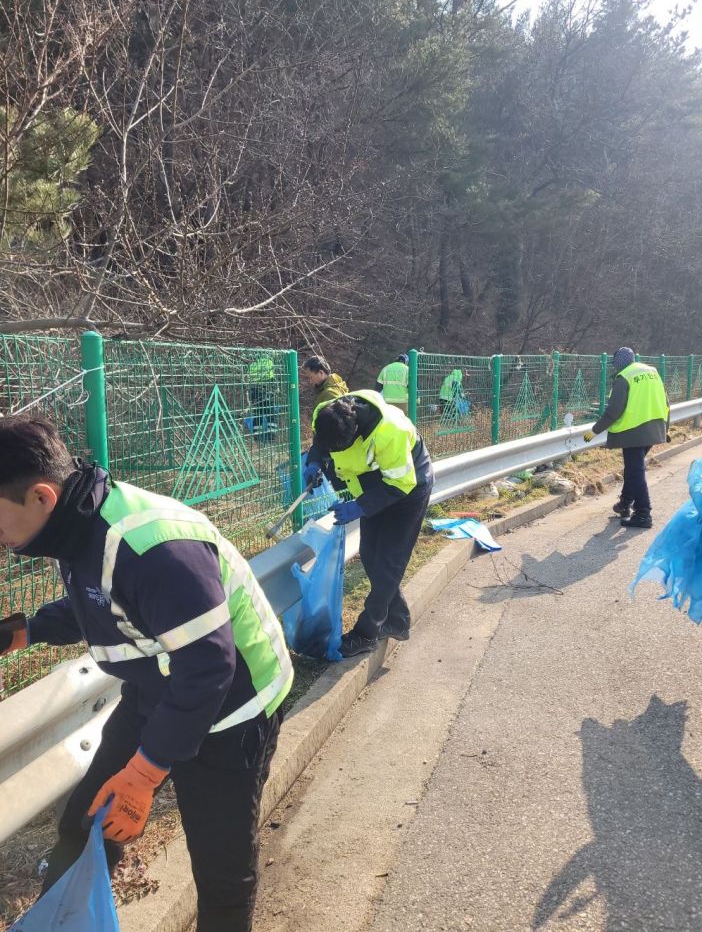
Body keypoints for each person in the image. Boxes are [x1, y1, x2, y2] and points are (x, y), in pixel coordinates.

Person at [0, 416, 293, 932]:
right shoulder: (76, 523)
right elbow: (103, 601)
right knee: (87, 821)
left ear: (41, 497)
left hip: (233, 707)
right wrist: (27, 630)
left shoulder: (154, 548)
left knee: (220, 866)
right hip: (159, 685)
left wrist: (144, 773)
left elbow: (208, 669)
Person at [303, 391, 433, 658]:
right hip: (374, 485)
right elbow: (320, 443)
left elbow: (401, 482)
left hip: (409, 487)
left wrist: (359, 507)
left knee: (388, 562)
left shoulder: (388, 432)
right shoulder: (327, 414)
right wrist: (315, 461)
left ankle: (367, 633)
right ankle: (396, 621)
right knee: (371, 556)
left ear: (354, 435)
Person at [583, 347, 669, 529]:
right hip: (655, 428)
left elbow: (614, 411)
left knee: (635, 471)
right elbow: (666, 402)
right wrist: (666, 428)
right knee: (633, 469)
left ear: (618, 363)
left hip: (633, 432)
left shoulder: (624, 378)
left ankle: (643, 514)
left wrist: (594, 431)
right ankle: (624, 504)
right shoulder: (652, 372)